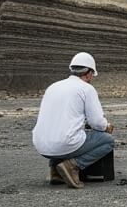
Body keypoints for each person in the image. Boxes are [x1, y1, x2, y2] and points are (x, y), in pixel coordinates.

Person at [32, 52, 115, 189]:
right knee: (107, 141)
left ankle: (55, 171)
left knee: (61, 132)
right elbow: (96, 122)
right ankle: (72, 167)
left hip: (41, 145)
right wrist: (107, 126)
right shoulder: (86, 89)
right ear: (88, 73)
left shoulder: (53, 86)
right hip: (64, 145)